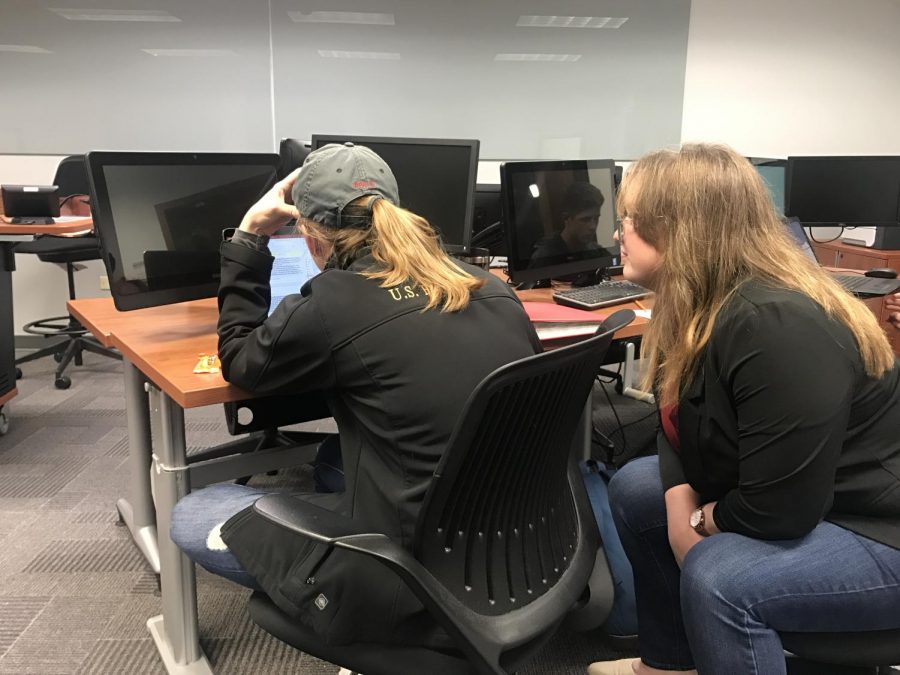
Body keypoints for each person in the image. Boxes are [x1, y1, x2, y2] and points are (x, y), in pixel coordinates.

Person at [169, 142, 542, 647]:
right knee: (331, 457)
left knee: (194, 511)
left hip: (416, 579)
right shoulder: (489, 286)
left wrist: (249, 236)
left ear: (311, 238)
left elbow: (240, 358)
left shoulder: (333, 303)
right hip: (520, 545)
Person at [588, 144, 900, 675]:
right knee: (639, 488)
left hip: (876, 527)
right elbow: (675, 421)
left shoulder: (775, 324)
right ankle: (669, 665)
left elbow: (780, 511)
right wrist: (677, 495)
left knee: (721, 577)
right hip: (814, 498)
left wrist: (698, 521)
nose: (618, 233)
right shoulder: (702, 304)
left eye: (629, 219)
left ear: (678, 229)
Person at [531, 181, 609, 261]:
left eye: (596, 218)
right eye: (585, 220)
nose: (593, 226)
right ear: (566, 218)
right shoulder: (544, 257)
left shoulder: (597, 252)